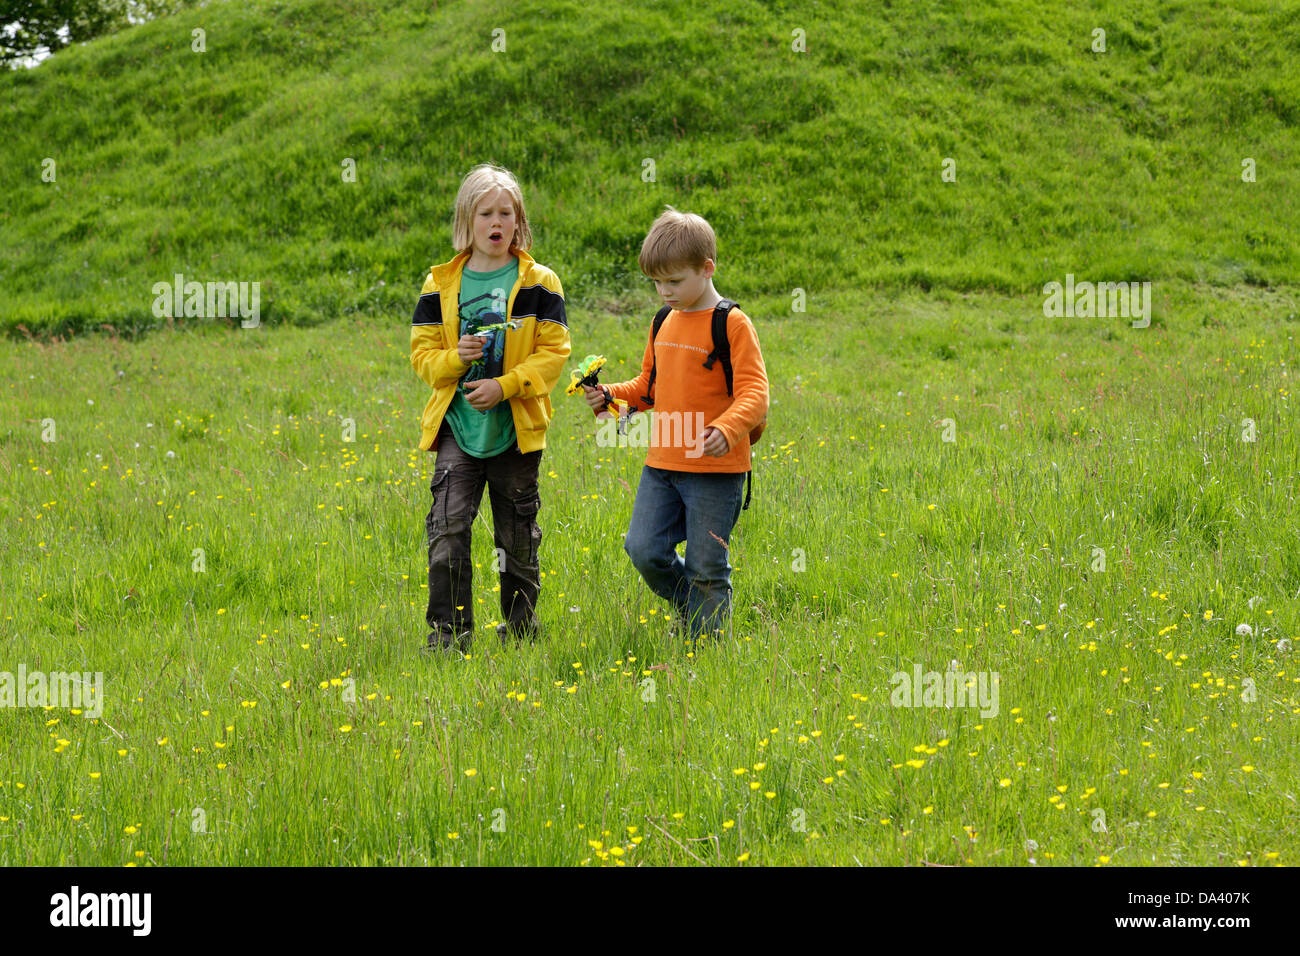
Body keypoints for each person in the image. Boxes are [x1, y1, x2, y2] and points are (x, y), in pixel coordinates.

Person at [583, 207, 768, 641]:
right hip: (662, 463)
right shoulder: (663, 320)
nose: (664, 291)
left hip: (716, 472)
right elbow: (648, 387)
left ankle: (704, 651)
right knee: (644, 550)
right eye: (657, 282)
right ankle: (696, 611)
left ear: (707, 269)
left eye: (674, 281)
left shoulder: (732, 323)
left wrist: (726, 429)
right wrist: (610, 395)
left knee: (707, 566)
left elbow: (755, 393)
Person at [411, 164, 570, 652]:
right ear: (467, 220)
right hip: (459, 429)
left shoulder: (540, 282)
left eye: (506, 213)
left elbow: (554, 353)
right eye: (486, 213)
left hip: (515, 431)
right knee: (448, 528)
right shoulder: (439, 285)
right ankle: (449, 635)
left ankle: (520, 629)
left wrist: (504, 387)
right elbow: (422, 356)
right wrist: (453, 359)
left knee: (516, 539)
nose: (496, 222)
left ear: (518, 222)